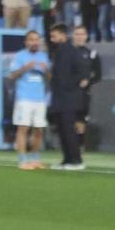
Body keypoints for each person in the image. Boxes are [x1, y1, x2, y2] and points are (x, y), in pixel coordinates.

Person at [47, 23, 90, 171]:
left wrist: (69, 86)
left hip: (69, 98)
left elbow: (82, 70)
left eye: (54, 36)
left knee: (69, 130)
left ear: (62, 35)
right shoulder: (60, 51)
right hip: (59, 98)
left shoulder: (71, 51)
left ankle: (77, 160)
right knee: (62, 130)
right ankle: (67, 159)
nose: (52, 39)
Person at [8, 30, 50, 170]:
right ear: (26, 42)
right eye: (31, 39)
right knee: (23, 128)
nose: (34, 42)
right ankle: (22, 160)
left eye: (37, 39)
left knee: (39, 129)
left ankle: (35, 158)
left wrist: (47, 71)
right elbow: (12, 75)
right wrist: (25, 68)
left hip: (39, 99)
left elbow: (50, 78)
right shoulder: (20, 56)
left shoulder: (43, 56)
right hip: (24, 98)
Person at [73, 25, 101, 148]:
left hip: (83, 93)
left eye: (81, 34)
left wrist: (87, 81)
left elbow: (98, 75)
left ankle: (79, 145)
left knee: (81, 119)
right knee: (68, 118)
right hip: (68, 92)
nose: (79, 37)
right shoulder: (67, 53)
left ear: (86, 36)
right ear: (73, 36)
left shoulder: (92, 54)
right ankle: (69, 143)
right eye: (77, 34)